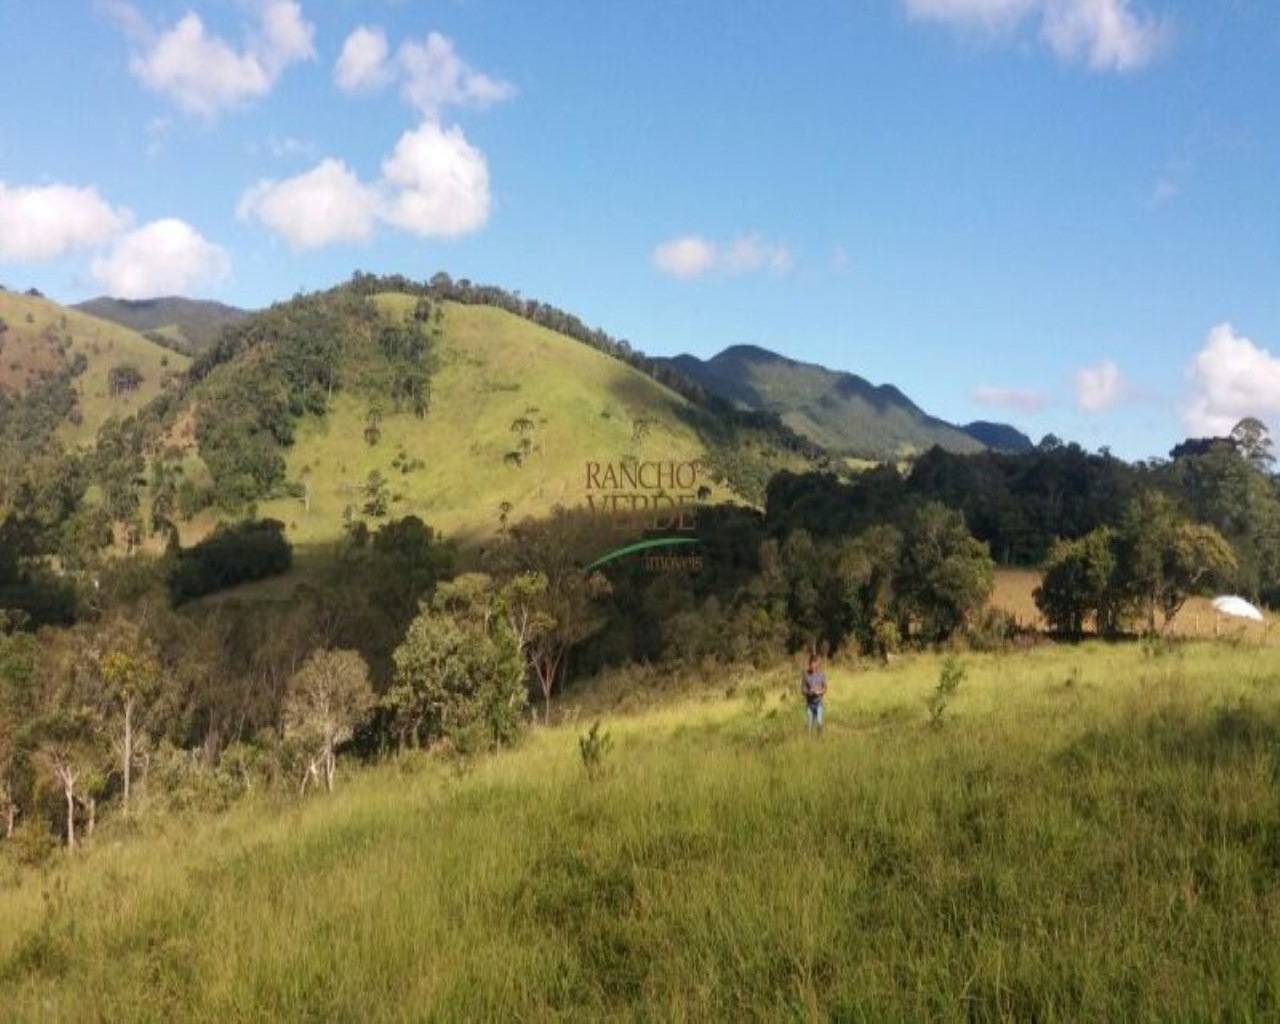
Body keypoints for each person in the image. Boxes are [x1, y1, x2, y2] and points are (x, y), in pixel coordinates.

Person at [800, 653, 827, 732]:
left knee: (819, 723)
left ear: (817, 664)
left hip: (819, 703)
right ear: (809, 664)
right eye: (812, 664)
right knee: (809, 726)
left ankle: (820, 740)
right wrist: (809, 692)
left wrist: (820, 691)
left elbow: (825, 687)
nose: (814, 666)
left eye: (815, 664)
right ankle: (810, 741)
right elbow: (802, 689)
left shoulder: (821, 674)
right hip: (809, 704)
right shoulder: (805, 675)